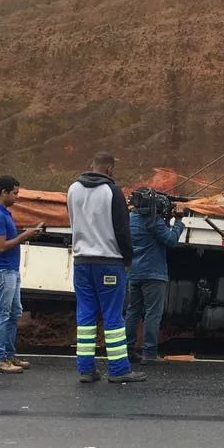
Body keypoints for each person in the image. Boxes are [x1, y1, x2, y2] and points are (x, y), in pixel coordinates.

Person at [67, 152, 144, 383]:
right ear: (110, 169)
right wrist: (128, 258)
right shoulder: (112, 191)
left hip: (82, 262)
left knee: (85, 315)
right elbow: (122, 229)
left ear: (91, 165)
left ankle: (86, 370)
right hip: (109, 262)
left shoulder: (73, 189)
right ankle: (119, 369)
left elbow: (73, 222)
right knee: (112, 316)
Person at [0, 175, 45, 374]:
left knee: (12, 314)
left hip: (10, 270)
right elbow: (0, 246)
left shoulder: (4, 213)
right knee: (2, 315)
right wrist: (24, 236)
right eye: (15, 193)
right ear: (4, 192)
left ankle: (8, 355)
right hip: (2, 271)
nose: (17, 197)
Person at [124, 190, 185, 365]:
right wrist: (179, 222)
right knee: (152, 313)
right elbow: (171, 240)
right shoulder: (154, 221)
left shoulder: (131, 219)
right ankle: (150, 352)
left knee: (133, 311)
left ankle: (129, 350)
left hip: (134, 272)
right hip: (153, 273)